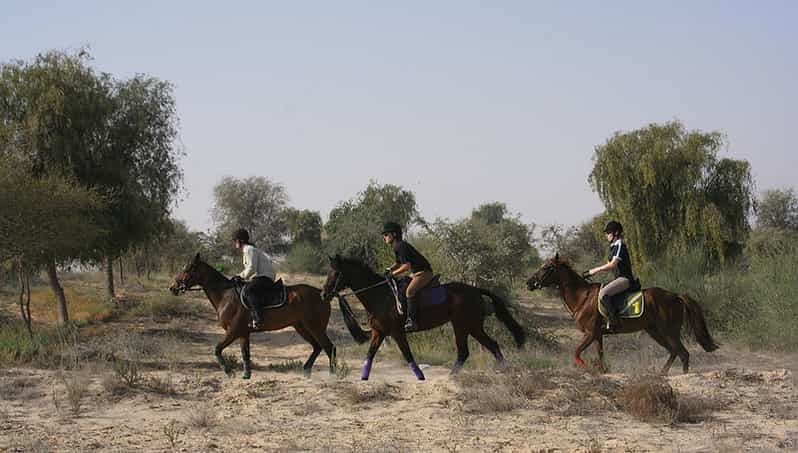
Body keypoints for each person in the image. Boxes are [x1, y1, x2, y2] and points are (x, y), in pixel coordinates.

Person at [584, 220, 635, 331]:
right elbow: (608, 266)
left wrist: (595, 270)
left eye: (608, 232)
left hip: (625, 279)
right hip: (618, 279)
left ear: (616, 233)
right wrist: (591, 272)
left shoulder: (620, 244)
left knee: (603, 294)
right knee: (601, 290)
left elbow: (612, 265)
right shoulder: (613, 247)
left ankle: (614, 322)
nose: (606, 235)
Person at [382, 221, 433, 332]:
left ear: (394, 234)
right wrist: (389, 269)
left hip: (424, 273)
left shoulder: (401, 246)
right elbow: (398, 263)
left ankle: (412, 321)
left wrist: (393, 274)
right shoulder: (397, 246)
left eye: (386, 234)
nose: (384, 237)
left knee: (409, 291)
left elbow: (406, 266)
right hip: (416, 273)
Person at [231, 228, 276, 329]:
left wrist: (240, 276)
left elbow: (252, 268)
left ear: (240, 240)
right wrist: (239, 276)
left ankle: (258, 318)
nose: (234, 243)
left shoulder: (249, 249)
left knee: (248, 290)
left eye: (235, 240)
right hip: (259, 276)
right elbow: (249, 269)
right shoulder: (247, 250)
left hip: (265, 276)